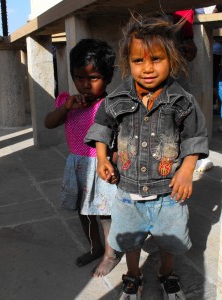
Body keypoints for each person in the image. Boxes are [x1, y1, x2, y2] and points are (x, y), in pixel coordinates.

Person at [85, 15, 209, 299]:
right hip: (128, 191)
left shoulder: (182, 100)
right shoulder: (117, 98)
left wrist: (187, 169)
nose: (148, 68)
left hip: (168, 193)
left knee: (169, 239)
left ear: (173, 59)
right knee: (130, 240)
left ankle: (167, 273)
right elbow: (103, 126)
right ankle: (133, 275)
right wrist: (103, 158)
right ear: (128, 62)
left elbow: (194, 137)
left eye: (156, 59)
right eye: (139, 61)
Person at [44, 38, 120, 277]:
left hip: (102, 165)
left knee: (105, 213)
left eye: (93, 78)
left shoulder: (111, 104)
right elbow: (49, 123)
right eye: (79, 77)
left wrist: (114, 163)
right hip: (76, 165)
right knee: (83, 211)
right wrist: (66, 108)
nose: (85, 84)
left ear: (107, 78)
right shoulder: (69, 101)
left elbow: (119, 138)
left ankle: (110, 254)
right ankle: (95, 247)